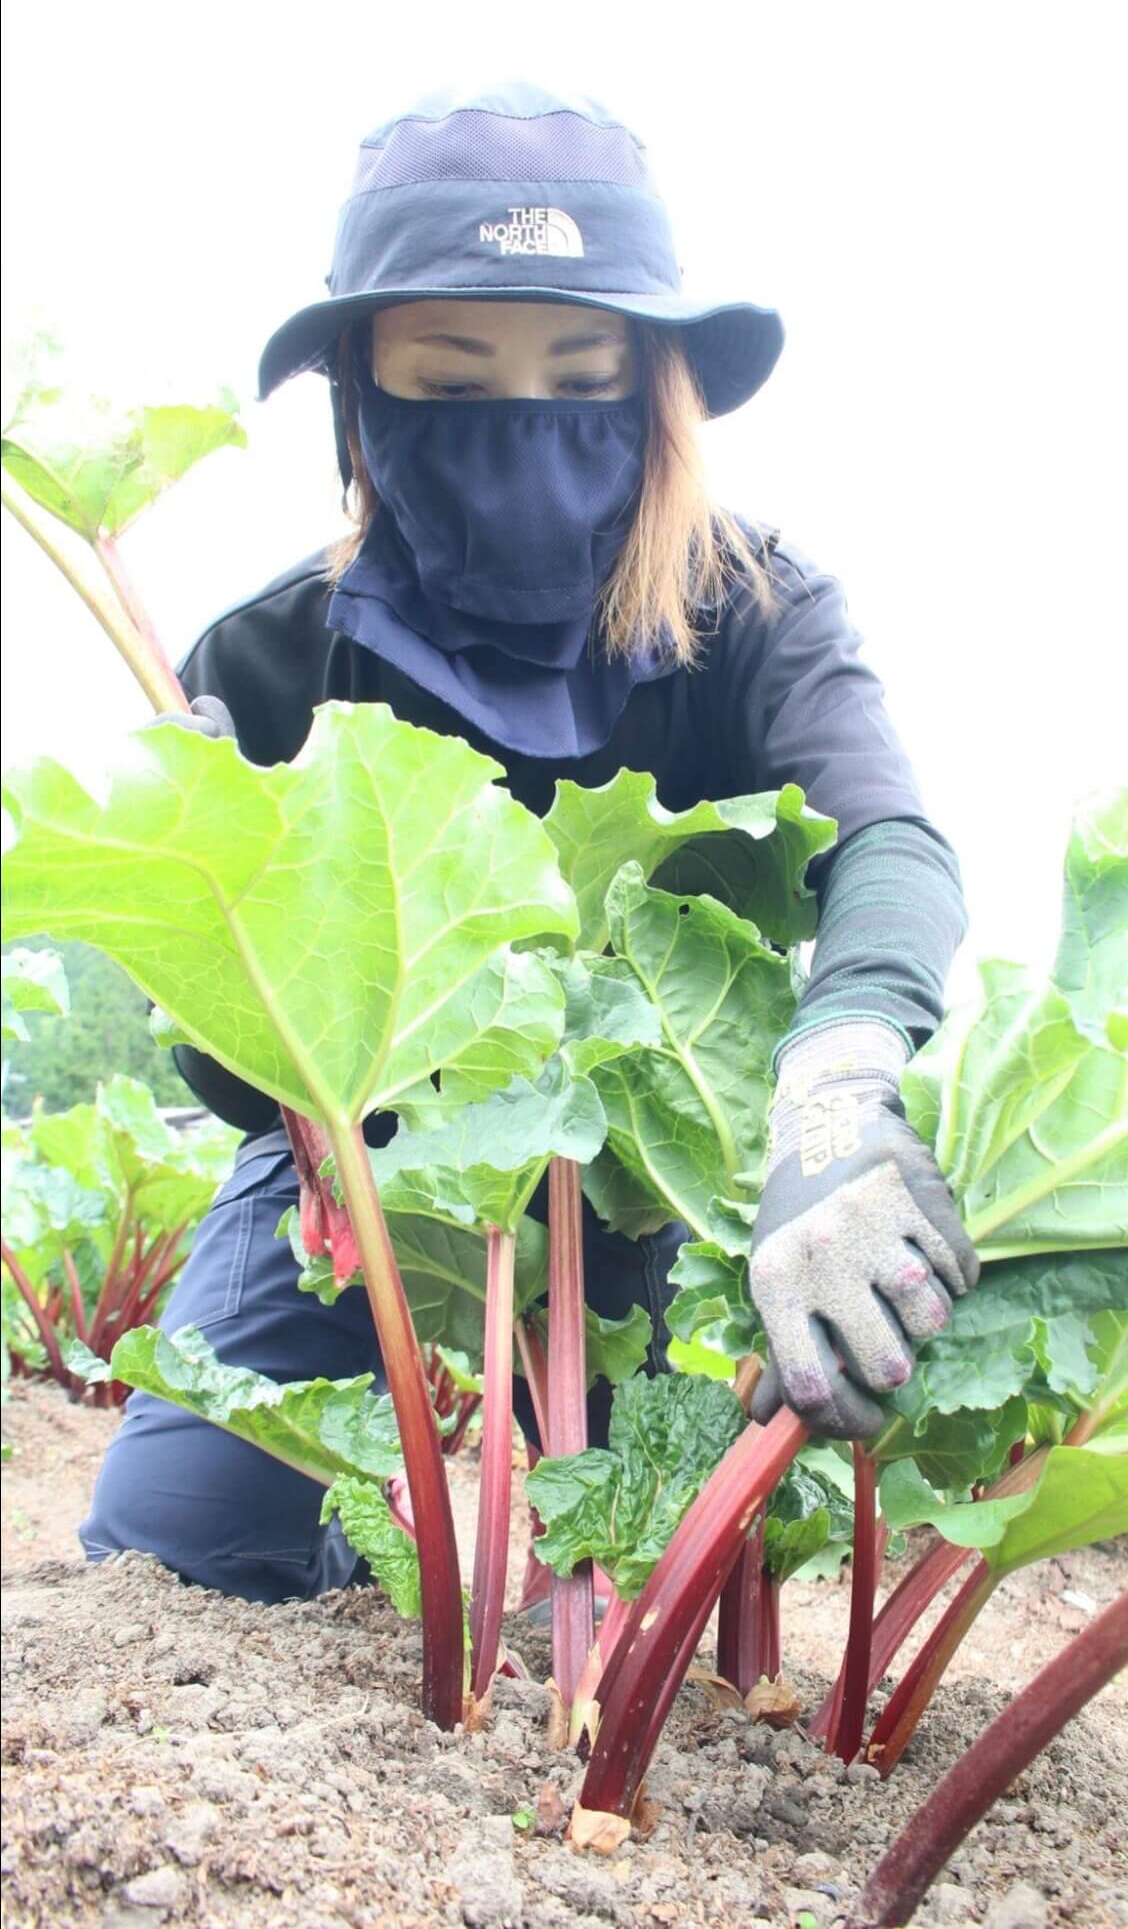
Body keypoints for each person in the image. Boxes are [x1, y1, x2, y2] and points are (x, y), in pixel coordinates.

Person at [80, 80, 978, 1604]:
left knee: (597, 1576)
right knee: (175, 1556)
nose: (523, 424)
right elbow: (225, 1077)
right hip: (347, 1189)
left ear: (657, 388)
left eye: (580, 370)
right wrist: (222, 939)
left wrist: (834, 1088)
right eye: (452, 372)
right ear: (362, 394)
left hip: (632, 1204)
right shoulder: (275, 658)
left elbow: (890, 843)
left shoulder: (751, 610)